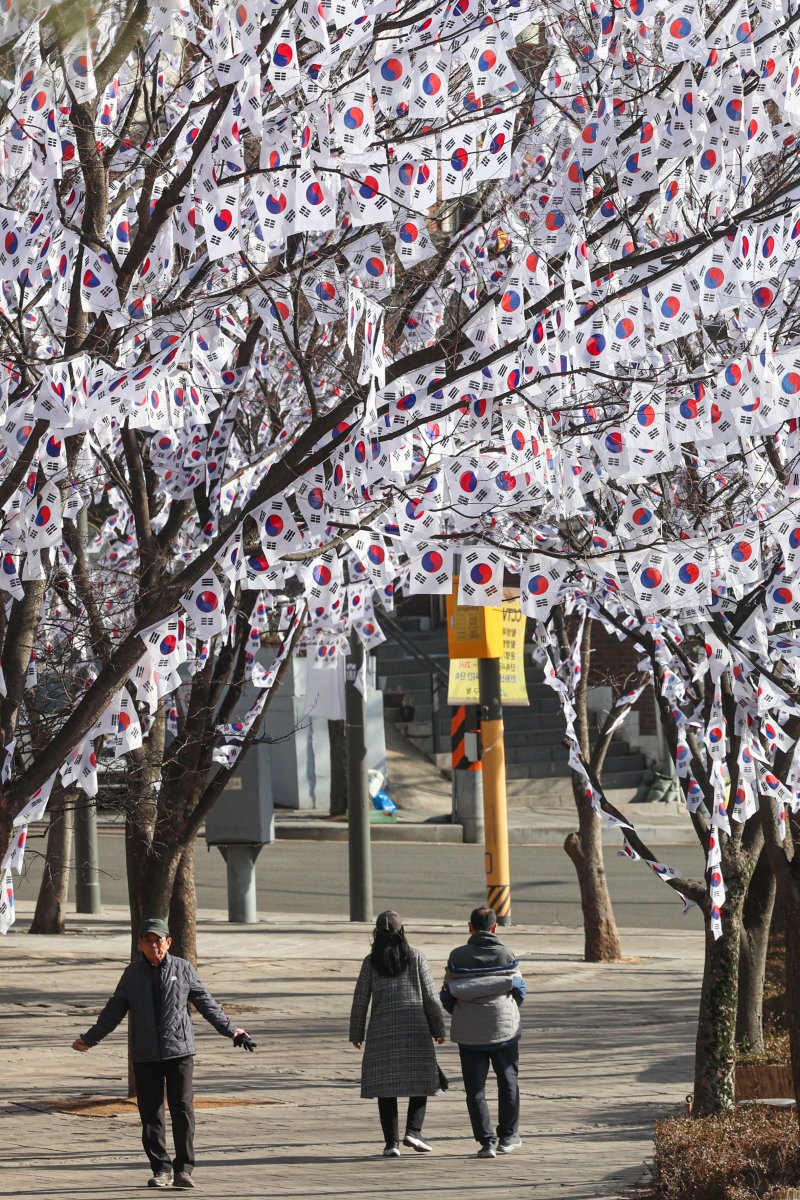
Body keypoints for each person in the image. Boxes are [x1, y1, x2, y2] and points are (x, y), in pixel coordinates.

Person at [71, 917, 255, 1190]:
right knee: (151, 1114)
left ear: (168, 942)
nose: (154, 946)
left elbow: (206, 1003)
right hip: (145, 1054)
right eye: (148, 941)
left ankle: (184, 1170)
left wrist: (232, 1031)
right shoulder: (132, 974)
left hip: (179, 1051)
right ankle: (161, 1169)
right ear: (139, 944)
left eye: (158, 941)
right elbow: (114, 1010)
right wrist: (90, 1039)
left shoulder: (183, 969)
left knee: (182, 1109)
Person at [349, 910, 447, 1157]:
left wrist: (356, 1032)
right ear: (402, 931)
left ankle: (391, 1143)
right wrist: (438, 1029)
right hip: (416, 1028)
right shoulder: (416, 957)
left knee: (386, 1086)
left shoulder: (371, 962)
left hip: (381, 1030)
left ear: (376, 933)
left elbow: (360, 999)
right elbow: (430, 997)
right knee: (421, 1079)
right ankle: (413, 1130)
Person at [440, 905, 526, 1159]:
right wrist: (507, 1009)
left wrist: (463, 1012)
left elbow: (446, 995)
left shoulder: (457, 956)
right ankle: (508, 1137)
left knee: (475, 1089)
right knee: (508, 1082)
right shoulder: (506, 954)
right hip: (504, 1030)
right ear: (495, 927)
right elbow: (519, 989)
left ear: (470, 927)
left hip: (469, 1033)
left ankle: (486, 1141)